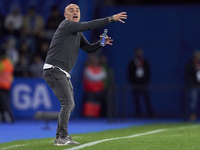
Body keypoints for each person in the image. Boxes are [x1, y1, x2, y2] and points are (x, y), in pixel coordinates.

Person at [43, 3, 127, 146]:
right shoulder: (66, 25)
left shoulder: (77, 32)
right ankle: (62, 137)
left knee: (70, 104)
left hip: (61, 72)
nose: (75, 12)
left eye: (77, 10)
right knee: (68, 103)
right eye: (71, 10)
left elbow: (88, 48)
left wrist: (101, 43)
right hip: (54, 70)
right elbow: (89, 25)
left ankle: (60, 137)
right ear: (65, 15)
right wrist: (110, 19)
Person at [127, 48, 152, 118]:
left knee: (146, 98)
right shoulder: (132, 62)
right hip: (135, 84)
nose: (139, 53)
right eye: (138, 52)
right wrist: (132, 83)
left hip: (144, 84)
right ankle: (138, 114)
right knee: (136, 99)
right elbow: (129, 73)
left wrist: (146, 81)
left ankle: (150, 113)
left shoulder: (145, 61)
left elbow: (148, 73)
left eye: (140, 52)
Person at [82, 54, 106, 118]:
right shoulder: (88, 68)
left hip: (98, 89)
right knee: (90, 102)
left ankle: (96, 115)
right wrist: (98, 77)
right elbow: (91, 77)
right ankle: (89, 115)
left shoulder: (100, 68)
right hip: (90, 89)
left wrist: (97, 77)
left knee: (97, 103)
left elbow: (103, 75)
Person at [185, 50, 200, 121]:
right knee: (193, 101)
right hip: (193, 86)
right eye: (197, 56)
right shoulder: (190, 63)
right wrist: (191, 84)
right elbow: (187, 75)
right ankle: (192, 115)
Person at [0, 48, 14, 123]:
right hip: (7, 85)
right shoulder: (9, 62)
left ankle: (11, 118)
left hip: (1, 86)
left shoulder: (2, 63)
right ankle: (3, 118)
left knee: (5, 104)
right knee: (2, 104)